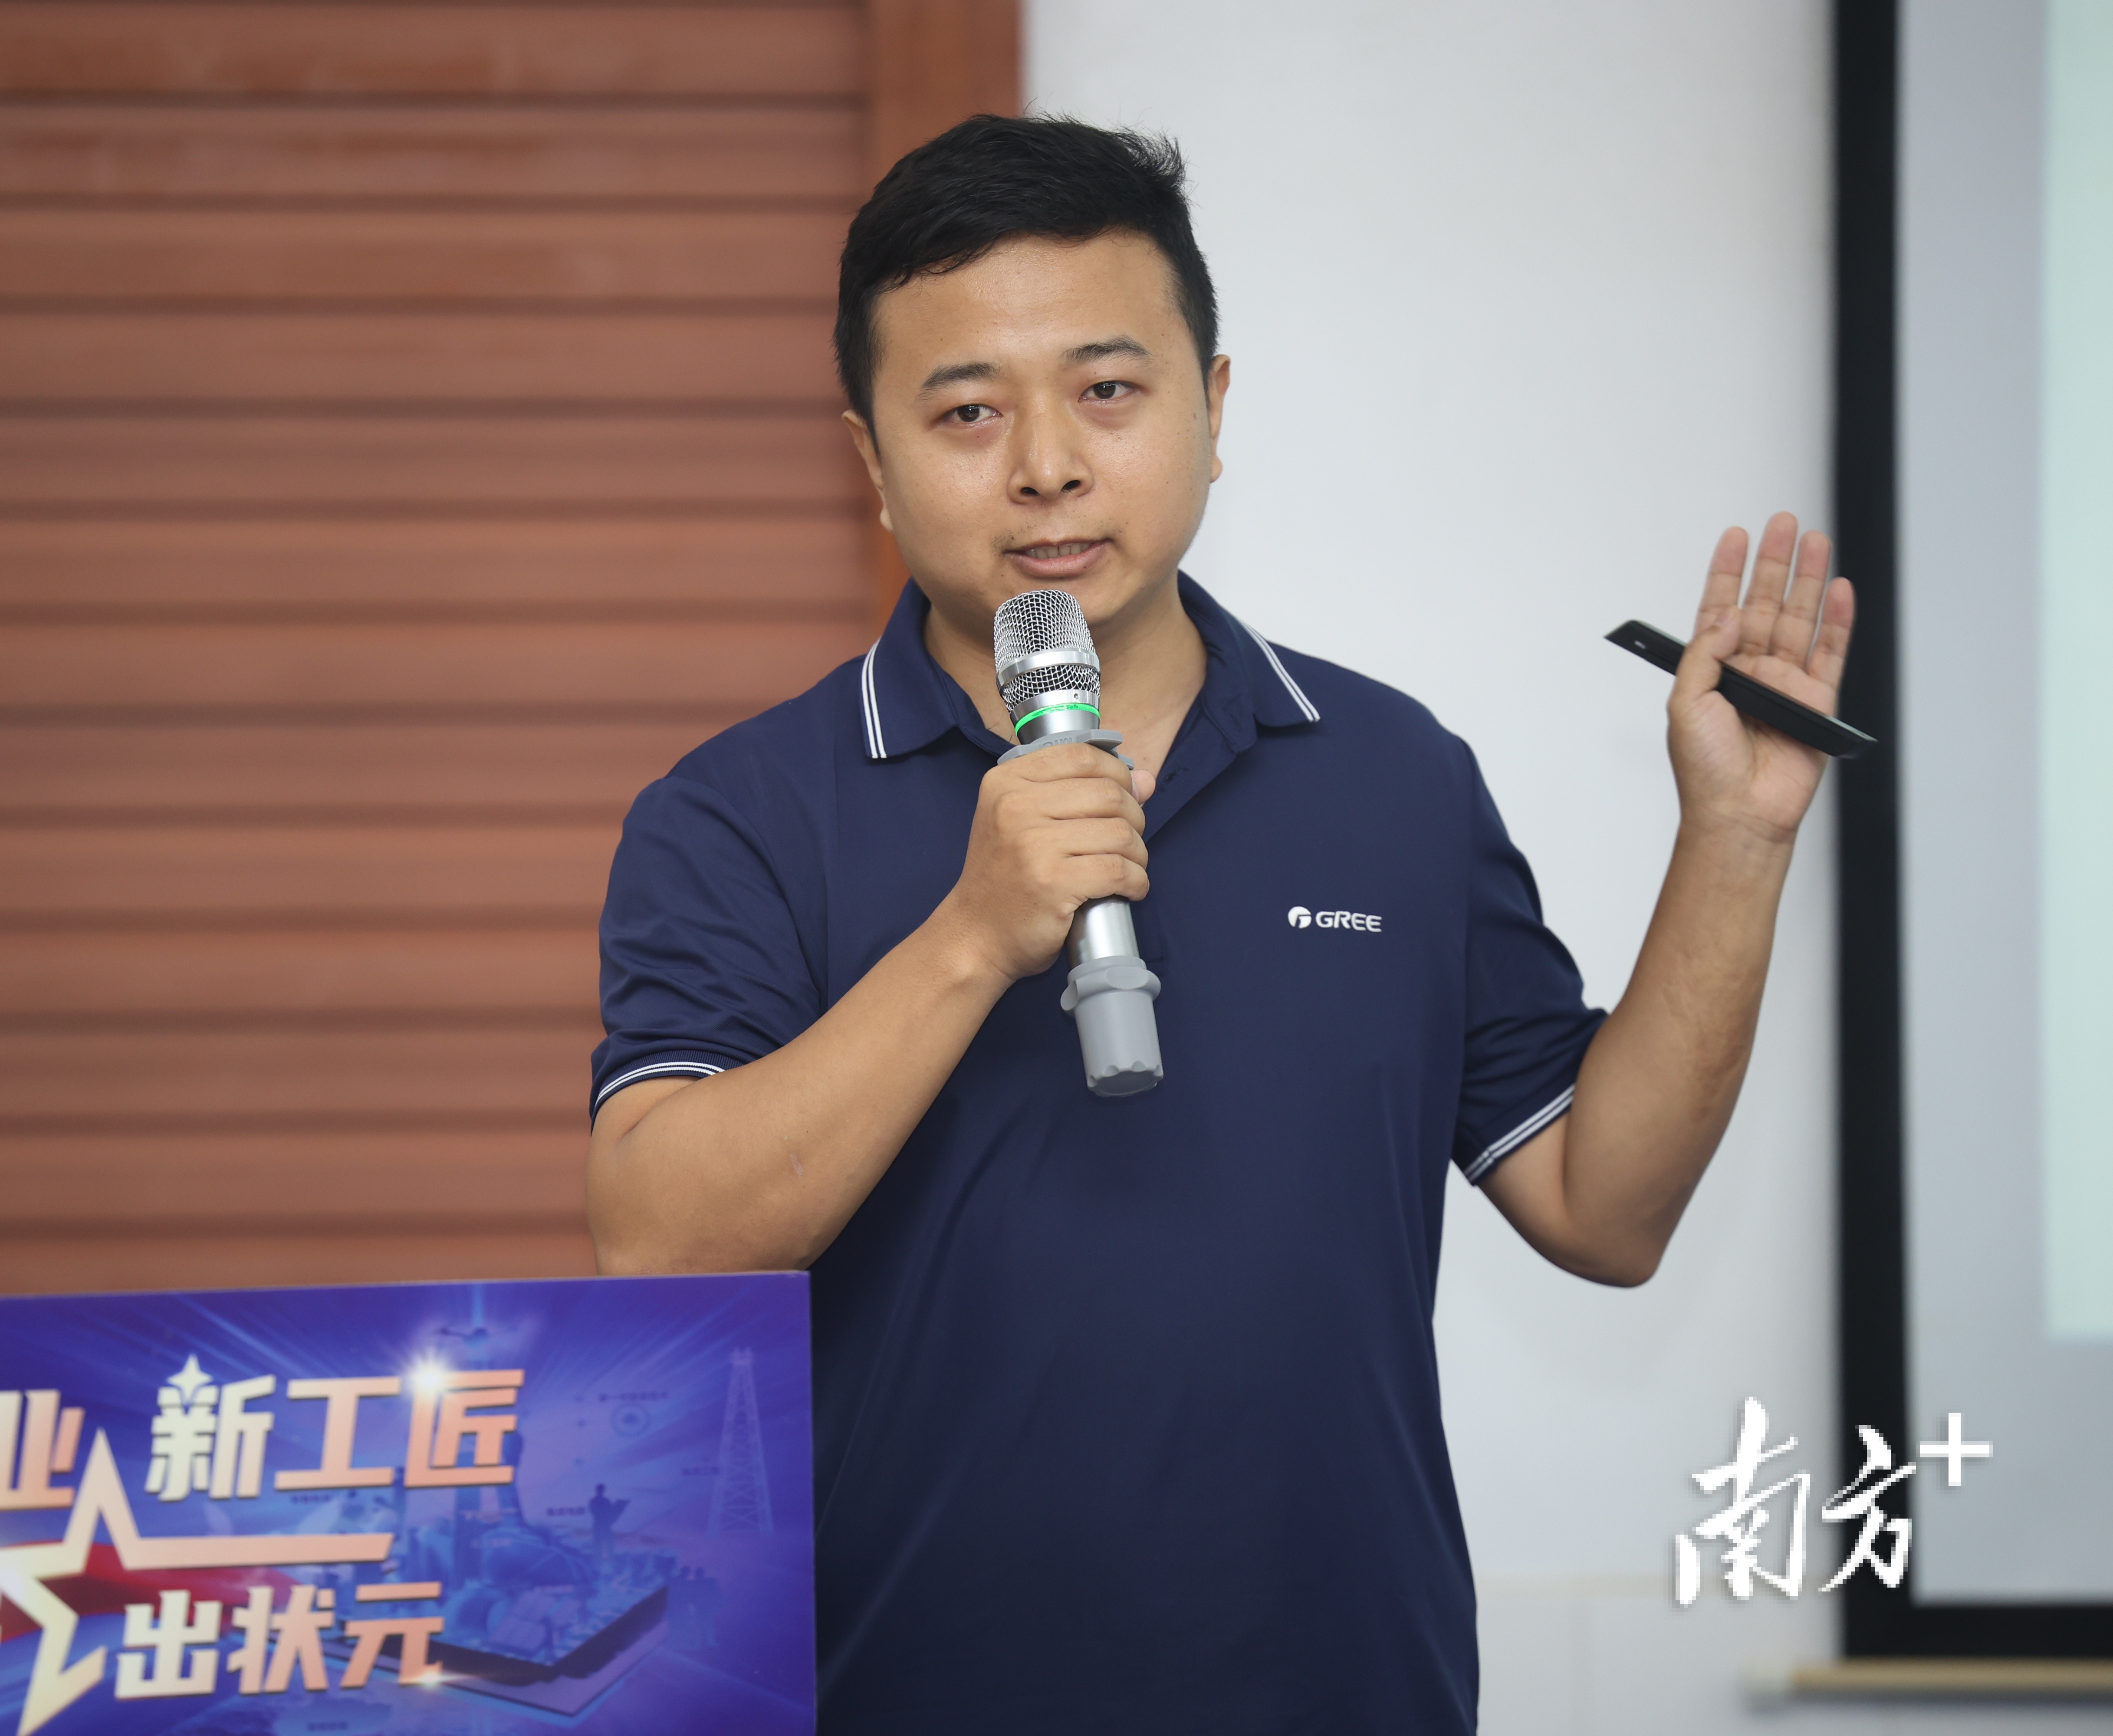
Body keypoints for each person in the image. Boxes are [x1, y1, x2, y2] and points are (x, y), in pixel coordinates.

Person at [584, 115, 1853, 1732]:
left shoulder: (1394, 774)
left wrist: (1736, 841)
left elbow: (1606, 1207)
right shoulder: (740, 813)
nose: (1047, 464)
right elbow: (660, 1242)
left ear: (1215, 407)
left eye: (1109, 391)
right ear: (873, 462)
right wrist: (973, 934)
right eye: (968, 412)